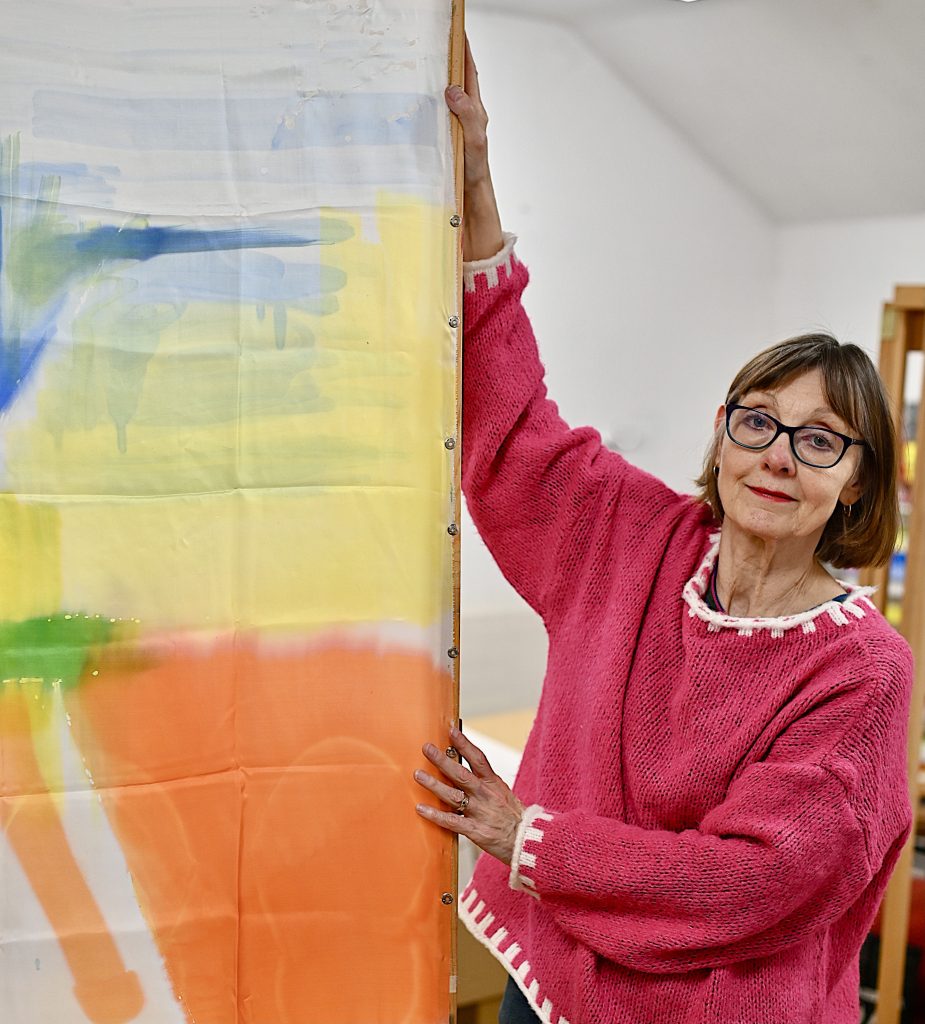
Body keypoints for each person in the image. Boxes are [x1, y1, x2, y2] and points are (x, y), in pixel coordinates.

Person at [413, 40, 914, 1024]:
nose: (778, 456)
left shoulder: (863, 671)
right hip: (547, 978)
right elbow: (514, 431)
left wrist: (527, 837)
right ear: (722, 435)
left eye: (818, 440)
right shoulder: (633, 536)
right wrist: (475, 192)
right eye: (757, 422)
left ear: (856, 481)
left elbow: (756, 881)